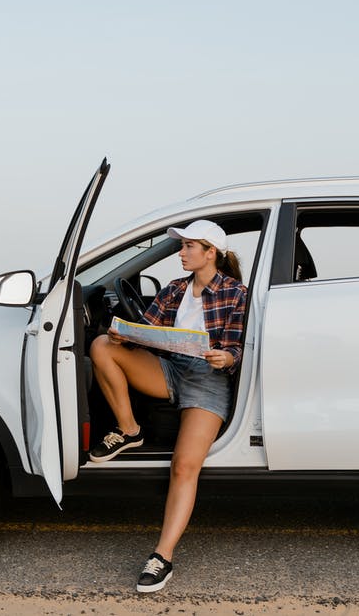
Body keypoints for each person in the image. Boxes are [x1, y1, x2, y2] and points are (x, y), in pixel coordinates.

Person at [87, 219, 248, 593]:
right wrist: (124, 334)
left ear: (211, 253)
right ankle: (129, 430)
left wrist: (227, 358)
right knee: (100, 347)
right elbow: (149, 327)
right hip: (169, 369)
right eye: (183, 246)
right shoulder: (175, 289)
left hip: (208, 379)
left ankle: (162, 556)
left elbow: (237, 346)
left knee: (184, 466)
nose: (182, 252)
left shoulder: (235, 292)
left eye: (190, 246)